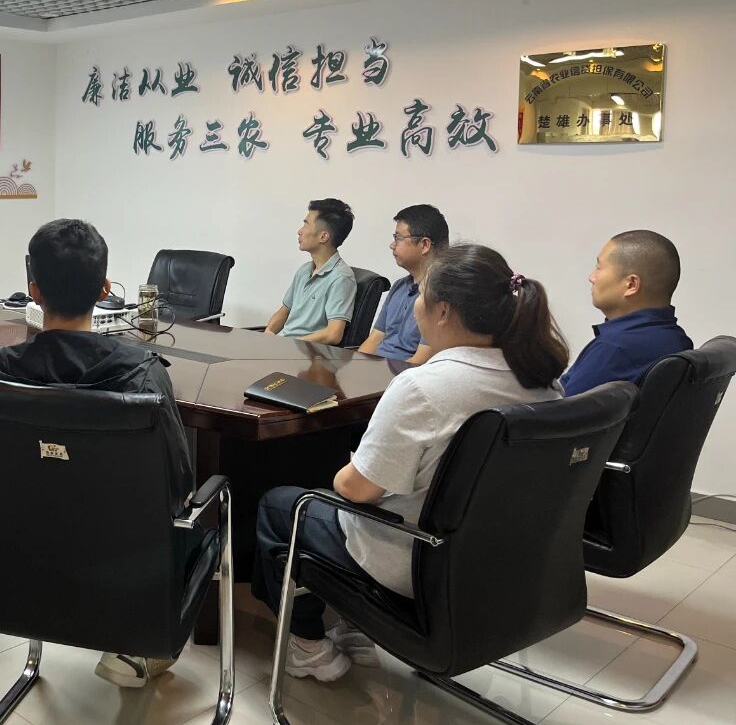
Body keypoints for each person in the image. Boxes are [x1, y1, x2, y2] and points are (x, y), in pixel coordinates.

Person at [252, 245, 567, 682]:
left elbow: (357, 490)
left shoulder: (423, 387)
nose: (415, 304)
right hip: (501, 559)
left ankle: (308, 645)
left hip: (416, 560)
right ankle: (355, 627)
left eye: (421, 295)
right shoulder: (546, 383)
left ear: (443, 311)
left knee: (281, 505)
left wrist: (344, 469)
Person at [0, 219, 194, 689]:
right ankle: (138, 645)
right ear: (104, 290)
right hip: (122, 561)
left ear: (34, 291)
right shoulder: (141, 374)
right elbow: (178, 484)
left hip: (23, 555)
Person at [561, 230, 693, 396]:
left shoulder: (614, 349)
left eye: (599, 268)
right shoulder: (678, 339)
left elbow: (558, 410)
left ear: (631, 285)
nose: (592, 277)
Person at [358, 205, 449, 364]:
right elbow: (374, 339)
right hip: (376, 370)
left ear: (424, 245)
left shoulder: (442, 294)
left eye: (398, 238)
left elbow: (420, 361)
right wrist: (356, 367)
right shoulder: (399, 286)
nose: (392, 245)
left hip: (405, 375)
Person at [264, 199, 358, 344]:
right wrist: (267, 334)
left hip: (306, 352)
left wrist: (292, 344)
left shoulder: (341, 278)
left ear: (323, 237)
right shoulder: (304, 270)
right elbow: (284, 312)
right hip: (285, 347)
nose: (299, 231)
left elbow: (333, 334)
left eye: (306, 224)